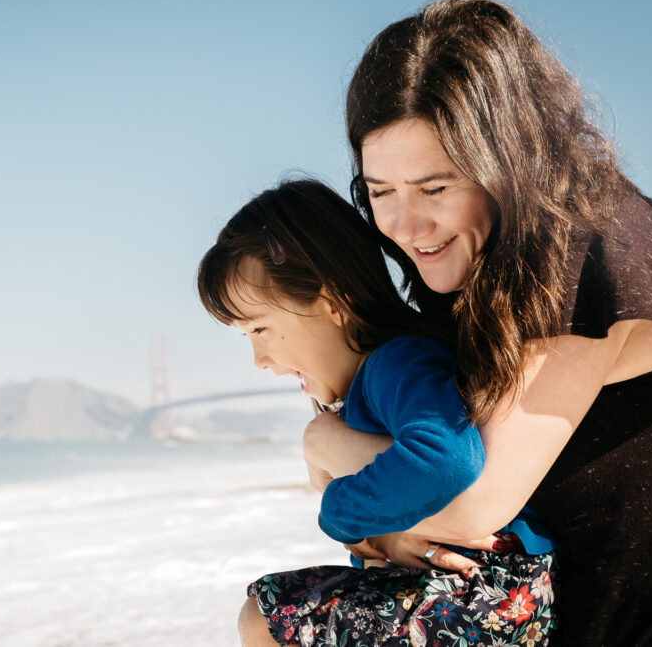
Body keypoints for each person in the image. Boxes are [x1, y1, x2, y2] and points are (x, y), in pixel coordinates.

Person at [338, 0, 652, 645]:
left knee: (273, 618)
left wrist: (336, 469)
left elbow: (469, 503)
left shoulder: (592, 243)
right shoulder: (480, 271)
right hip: (565, 612)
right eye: (381, 192)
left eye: (435, 187)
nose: (405, 226)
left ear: (507, 162)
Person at [197, 179, 558, 647]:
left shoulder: (396, 363)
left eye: (261, 328)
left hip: (492, 592)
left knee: (264, 617)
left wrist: (337, 513)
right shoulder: (372, 385)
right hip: (488, 594)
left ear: (330, 301)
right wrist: (384, 539)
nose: (259, 360)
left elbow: (445, 456)